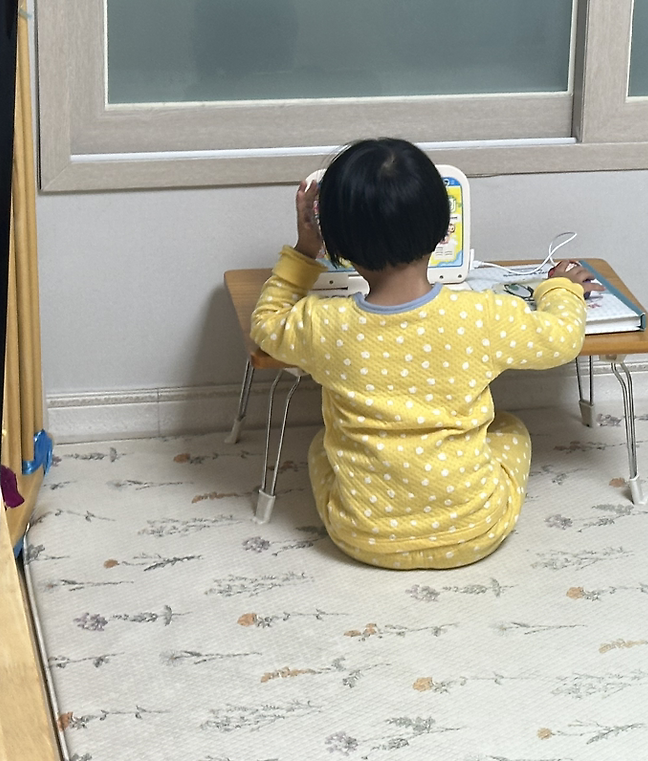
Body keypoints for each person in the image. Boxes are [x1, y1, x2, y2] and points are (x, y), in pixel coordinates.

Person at [250, 138, 598, 569]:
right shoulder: (480, 315)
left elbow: (266, 323)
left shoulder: (323, 324)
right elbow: (562, 339)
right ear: (442, 227)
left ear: (335, 241)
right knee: (510, 429)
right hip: (475, 532)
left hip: (361, 537)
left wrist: (305, 249)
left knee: (321, 445)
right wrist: (560, 287)